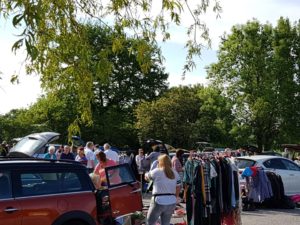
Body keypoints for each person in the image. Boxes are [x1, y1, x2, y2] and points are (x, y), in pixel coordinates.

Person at [145, 154, 181, 225]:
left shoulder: (157, 171)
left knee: (149, 222)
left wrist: (146, 173)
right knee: (165, 223)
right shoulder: (175, 173)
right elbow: (178, 187)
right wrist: (176, 197)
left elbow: (147, 178)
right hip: (171, 201)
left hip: (158, 200)